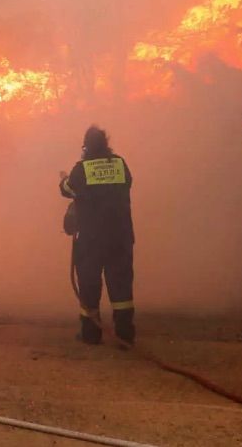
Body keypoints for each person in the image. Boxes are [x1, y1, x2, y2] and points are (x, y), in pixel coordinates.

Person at [59, 126, 135, 345]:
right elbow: (126, 185)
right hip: (120, 237)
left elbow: (67, 189)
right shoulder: (120, 164)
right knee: (121, 286)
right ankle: (125, 335)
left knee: (90, 284)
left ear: (86, 146)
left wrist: (64, 178)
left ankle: (91, 334)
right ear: (106, 143)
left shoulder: (81, 169)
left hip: (92, 240)